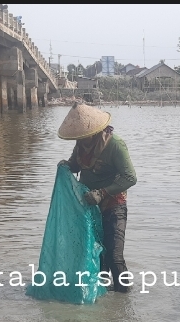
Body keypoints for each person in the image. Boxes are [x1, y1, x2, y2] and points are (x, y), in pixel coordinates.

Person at [57, 102, 137, 292]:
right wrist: (67, 166)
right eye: (79, 138)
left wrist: (102, 193)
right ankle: (104, 300)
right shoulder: (80, 146)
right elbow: (77, 166)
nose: (81, 141)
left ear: (95, 131)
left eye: (84, 137)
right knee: (96, 254)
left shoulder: (115, 145)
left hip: (113, 206)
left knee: (114, 256)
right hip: (90, 209)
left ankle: (124, 298)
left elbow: (130, 177)